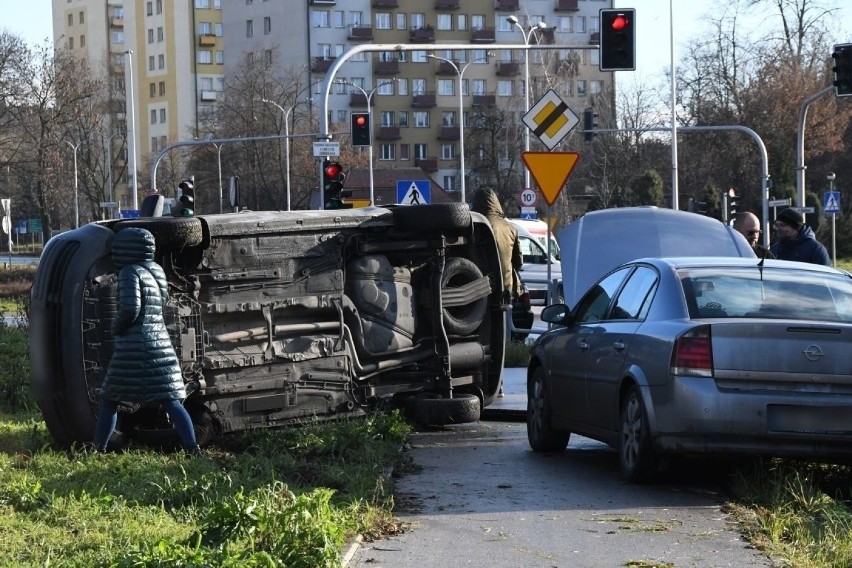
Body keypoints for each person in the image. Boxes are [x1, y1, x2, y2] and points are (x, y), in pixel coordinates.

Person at [93, 227, 201, 455]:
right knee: (172, 399)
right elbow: (161, 302)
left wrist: (116, 326)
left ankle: (98, 450)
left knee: (110, 399)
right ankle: (193, 448)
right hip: (159, 342)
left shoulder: (129, 272)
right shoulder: (156, 271)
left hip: (133, 346)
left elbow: (131, 308)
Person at [472, 188, 523, 397]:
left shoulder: (474, 225)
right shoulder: (509, 227)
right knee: (500, 337)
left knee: (479, 337)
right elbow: (518, 262)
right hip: (503, 291)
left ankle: (481, 381)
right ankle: (498, 384)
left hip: (477, 290)